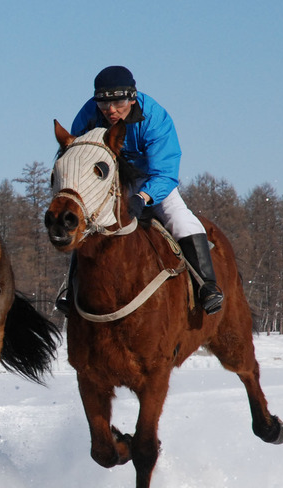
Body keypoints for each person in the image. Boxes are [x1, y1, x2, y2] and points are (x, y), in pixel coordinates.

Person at [56, 65, 223, 316]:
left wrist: (142, 197)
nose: (110, 110)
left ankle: (206, 286)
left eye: (118, 103)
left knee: (179, 219)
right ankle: (71, 289)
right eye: (103, 104)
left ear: (132, 97)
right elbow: (78, 159)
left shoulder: (155, 117)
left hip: (151, 180)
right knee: (87, 225)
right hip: (110, 182)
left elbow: (165, 172)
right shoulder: (87, 114)